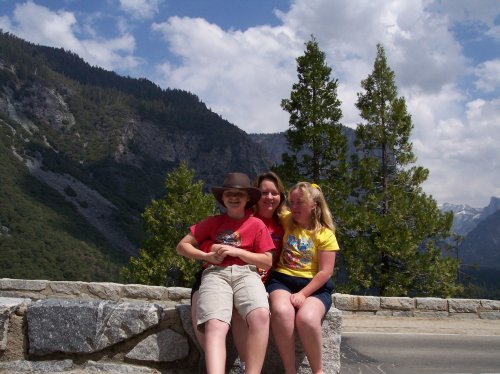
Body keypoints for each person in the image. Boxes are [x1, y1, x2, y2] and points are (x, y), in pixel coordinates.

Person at [176, 172, 274, 374]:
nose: (234, 198)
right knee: (214, 323)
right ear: (223, 198)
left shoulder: (257, 225)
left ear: (248, 198)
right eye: (229, 194)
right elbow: (182, 246)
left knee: (261, 316)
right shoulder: (212, 222)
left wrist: (237, 252)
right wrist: (207, 256)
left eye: (239, 194)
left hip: (247, 273)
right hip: (215, 274)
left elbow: (267, 260)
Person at [266, 182, 339, 374]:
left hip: (314, 286)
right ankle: (290, 371)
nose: (294, 207)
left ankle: (318, 371)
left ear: (314, 205)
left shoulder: (325, 234)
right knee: (282, 312)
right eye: (292, 202)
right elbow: (269, 207)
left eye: (300, 202)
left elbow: (325, 272)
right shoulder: (287, 220)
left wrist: (303, 294)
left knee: (307, 319)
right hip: (282, 279)